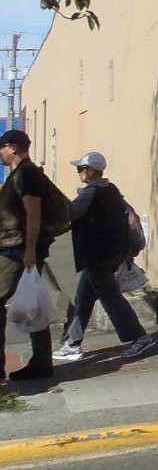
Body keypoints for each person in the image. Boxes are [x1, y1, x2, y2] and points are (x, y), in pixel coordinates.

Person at [52, 152, 155, 362]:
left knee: (111, 298)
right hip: (109, 253)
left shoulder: (92, 192)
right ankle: (72, 343)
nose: (78, 172)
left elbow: (69, 213)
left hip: (96, 256)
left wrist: (54, 197)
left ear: (91, 170)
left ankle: (139, 337)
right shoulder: (111, 189)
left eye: (81, 168)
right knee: (83, 298)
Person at [0, 129, 58, 382]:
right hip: (18, 247)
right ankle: (41, 362)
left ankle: (40, 363)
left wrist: (31, 251)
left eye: (1, 147)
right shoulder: (20, 174)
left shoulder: (27, 174)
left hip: (18, 249)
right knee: (32, 304)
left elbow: (33, 212)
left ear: (12, 147)